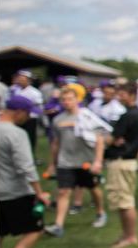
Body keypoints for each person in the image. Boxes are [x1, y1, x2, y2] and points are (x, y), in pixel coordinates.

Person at [44, 86, 112, 236]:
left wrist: (98, 161)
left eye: (70, 99)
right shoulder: (57, 120)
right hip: (65, 161)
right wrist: (52, 164)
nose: (67, 102)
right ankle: (58, 225)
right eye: (63, 100)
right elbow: (55, 143)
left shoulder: (87, 116)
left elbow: (100, 139)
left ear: (77, 100)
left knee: (93, 188)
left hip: (86, 161)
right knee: (63, 191)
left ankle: (100, 212)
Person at [0, 95, 51, 248]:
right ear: (19, 112)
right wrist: (40, 192)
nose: (28, 118)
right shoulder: (16, 134)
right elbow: (26, 166)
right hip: (15, 191)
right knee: (35, 229)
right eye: (28, 114)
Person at [104, 83, 138, 248]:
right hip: (126, 160)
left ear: (132, 94)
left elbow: (112, 138)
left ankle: (130, 236)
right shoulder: (134, 114)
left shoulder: (130, 115)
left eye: (122, 94)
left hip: (123, 160)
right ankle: (127, 234)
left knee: (125, 201)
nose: (119, 97)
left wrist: (109, 140)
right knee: (123, 201)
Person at [9, 69, 45, 151]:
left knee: (30, 138)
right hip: (17, 118)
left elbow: (39, 107)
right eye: (20, 79)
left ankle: (31, 155)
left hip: (30, 119)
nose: (20, 81)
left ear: (29, 81)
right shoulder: (14, 89)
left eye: (23, 79)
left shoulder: (35, 92)